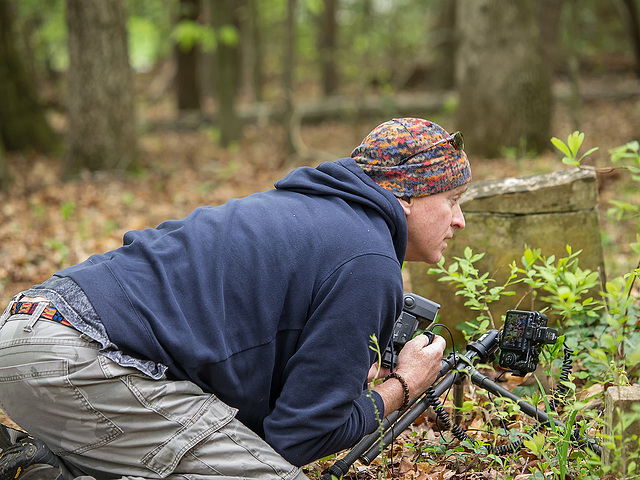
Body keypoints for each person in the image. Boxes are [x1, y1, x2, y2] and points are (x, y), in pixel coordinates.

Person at [0, 117, 470, 480]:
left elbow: (251, 405)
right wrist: (404, 385)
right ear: (404, 196)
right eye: (451, 199)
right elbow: (298, 439)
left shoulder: (313, 212)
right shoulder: (368, 259)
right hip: (82, 357)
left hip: (31, 330)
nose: (459, 220)